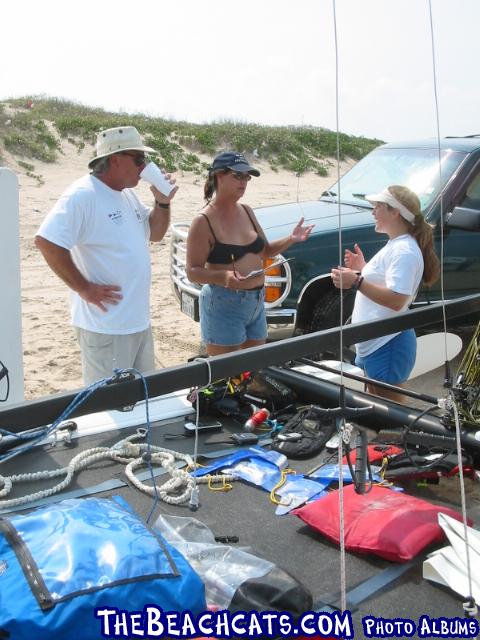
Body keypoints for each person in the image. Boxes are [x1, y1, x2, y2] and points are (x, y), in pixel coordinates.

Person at [35, 125, 177, 384]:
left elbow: (155, 234)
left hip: (137, 323)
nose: (144, 167)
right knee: (108, 408)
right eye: (139, 159)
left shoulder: (126, 195)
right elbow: (47, 241)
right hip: (106, 327)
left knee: (142, 401)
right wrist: (83, 287)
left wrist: (163, 202)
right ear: (115, 160)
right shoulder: (82, 195)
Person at [186, 151, 314, 356]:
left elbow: (265, 251)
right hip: (224, 303)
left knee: (253, 372)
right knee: (226, 379)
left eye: (247, 177)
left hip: (256, 302)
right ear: (219, 175)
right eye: (238, 176)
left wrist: (291, 238)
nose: (244, 182)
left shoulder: (246, 210)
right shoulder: (203, 221)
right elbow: (192, 271)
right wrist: (223, 277)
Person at [331, 185, 440, 402]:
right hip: (377, 342)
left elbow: (397, 300)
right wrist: (362, 268)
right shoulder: (397, 245)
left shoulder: (404, 250)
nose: (372, 212)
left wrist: (357, 281)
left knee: (390, 419)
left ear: (395, 212)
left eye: (377, 206)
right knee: (377, 413)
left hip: (387, 343)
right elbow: (388, 284)